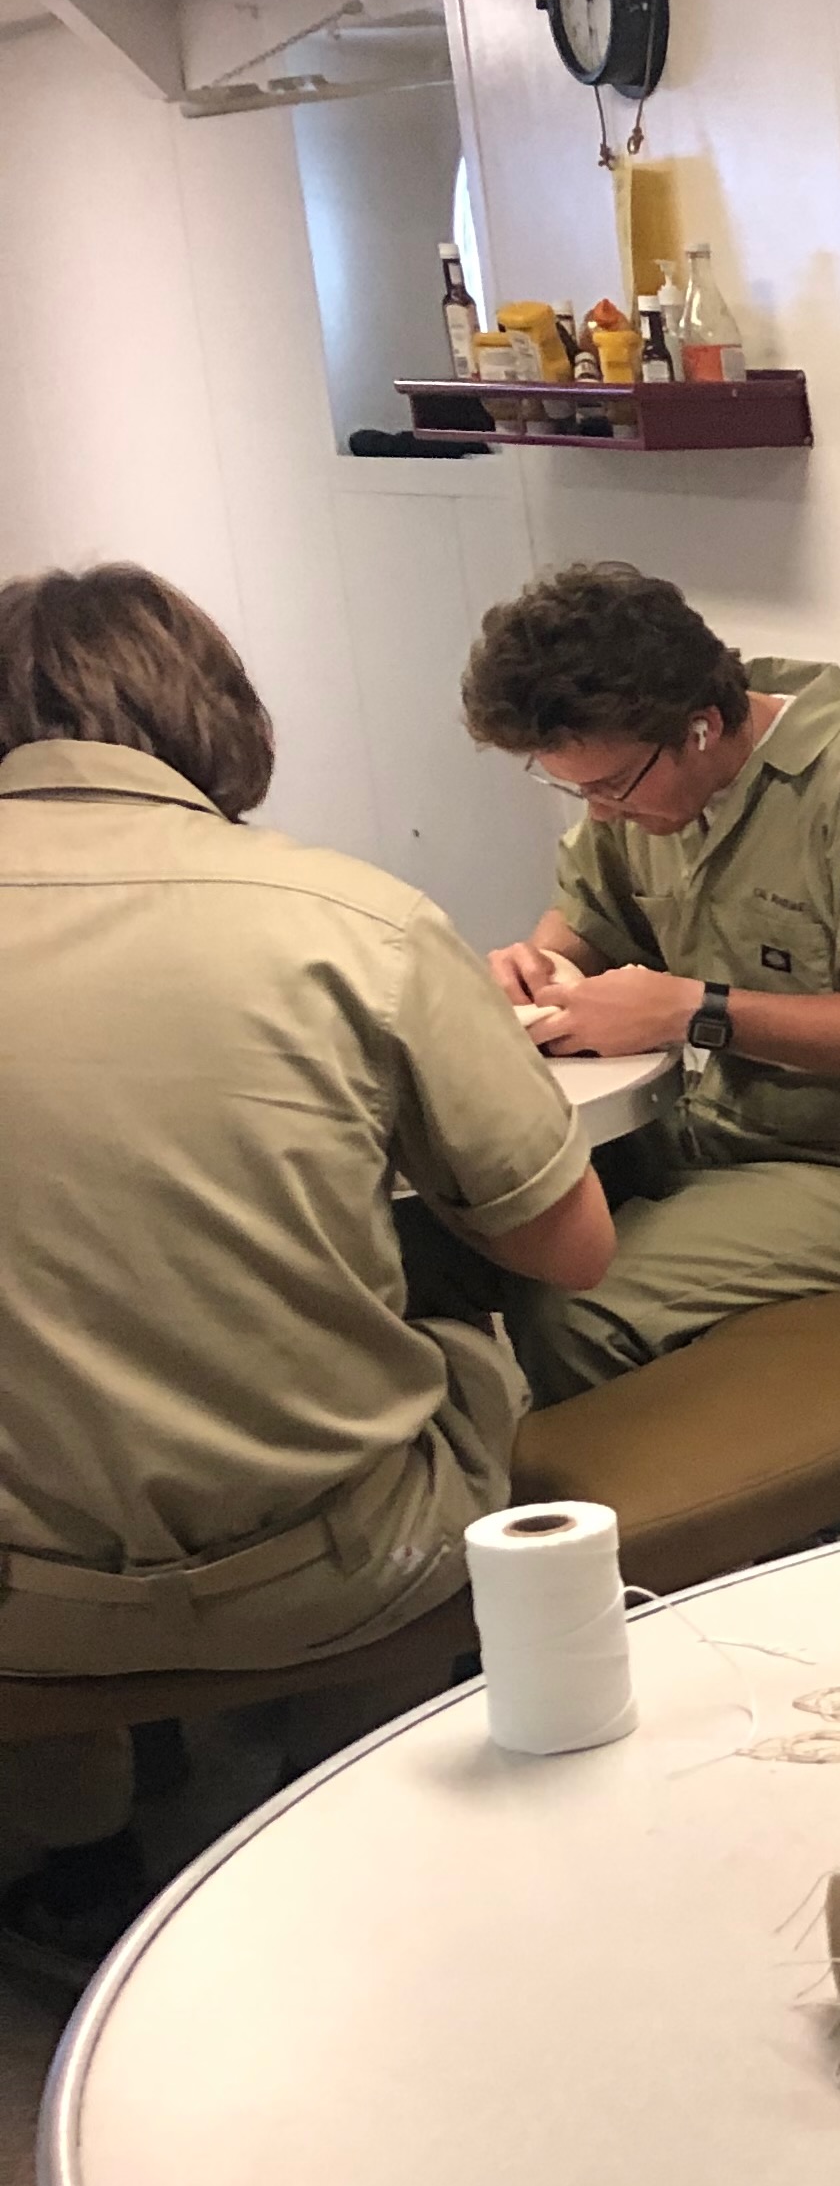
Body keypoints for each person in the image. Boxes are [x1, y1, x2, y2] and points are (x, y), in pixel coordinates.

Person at [0, 566, 614, 1989]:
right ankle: (352, 1779)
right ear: (215, 718)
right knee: (463, 1331)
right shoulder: (354, 922)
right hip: (330, 1571)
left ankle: (71, 1847)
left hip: (22, 1605)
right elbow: (572, 1246)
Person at [460, 564, 840, 1398]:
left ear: (699, 726)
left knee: (576, 1308)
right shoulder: (647, 782)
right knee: (459, 1235)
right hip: (719, 1133)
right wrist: (542, 968)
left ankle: (666, 1524)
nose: (604, 812)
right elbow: (587, 916)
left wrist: (698, 1012)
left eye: (611, 786)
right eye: (575, 789)